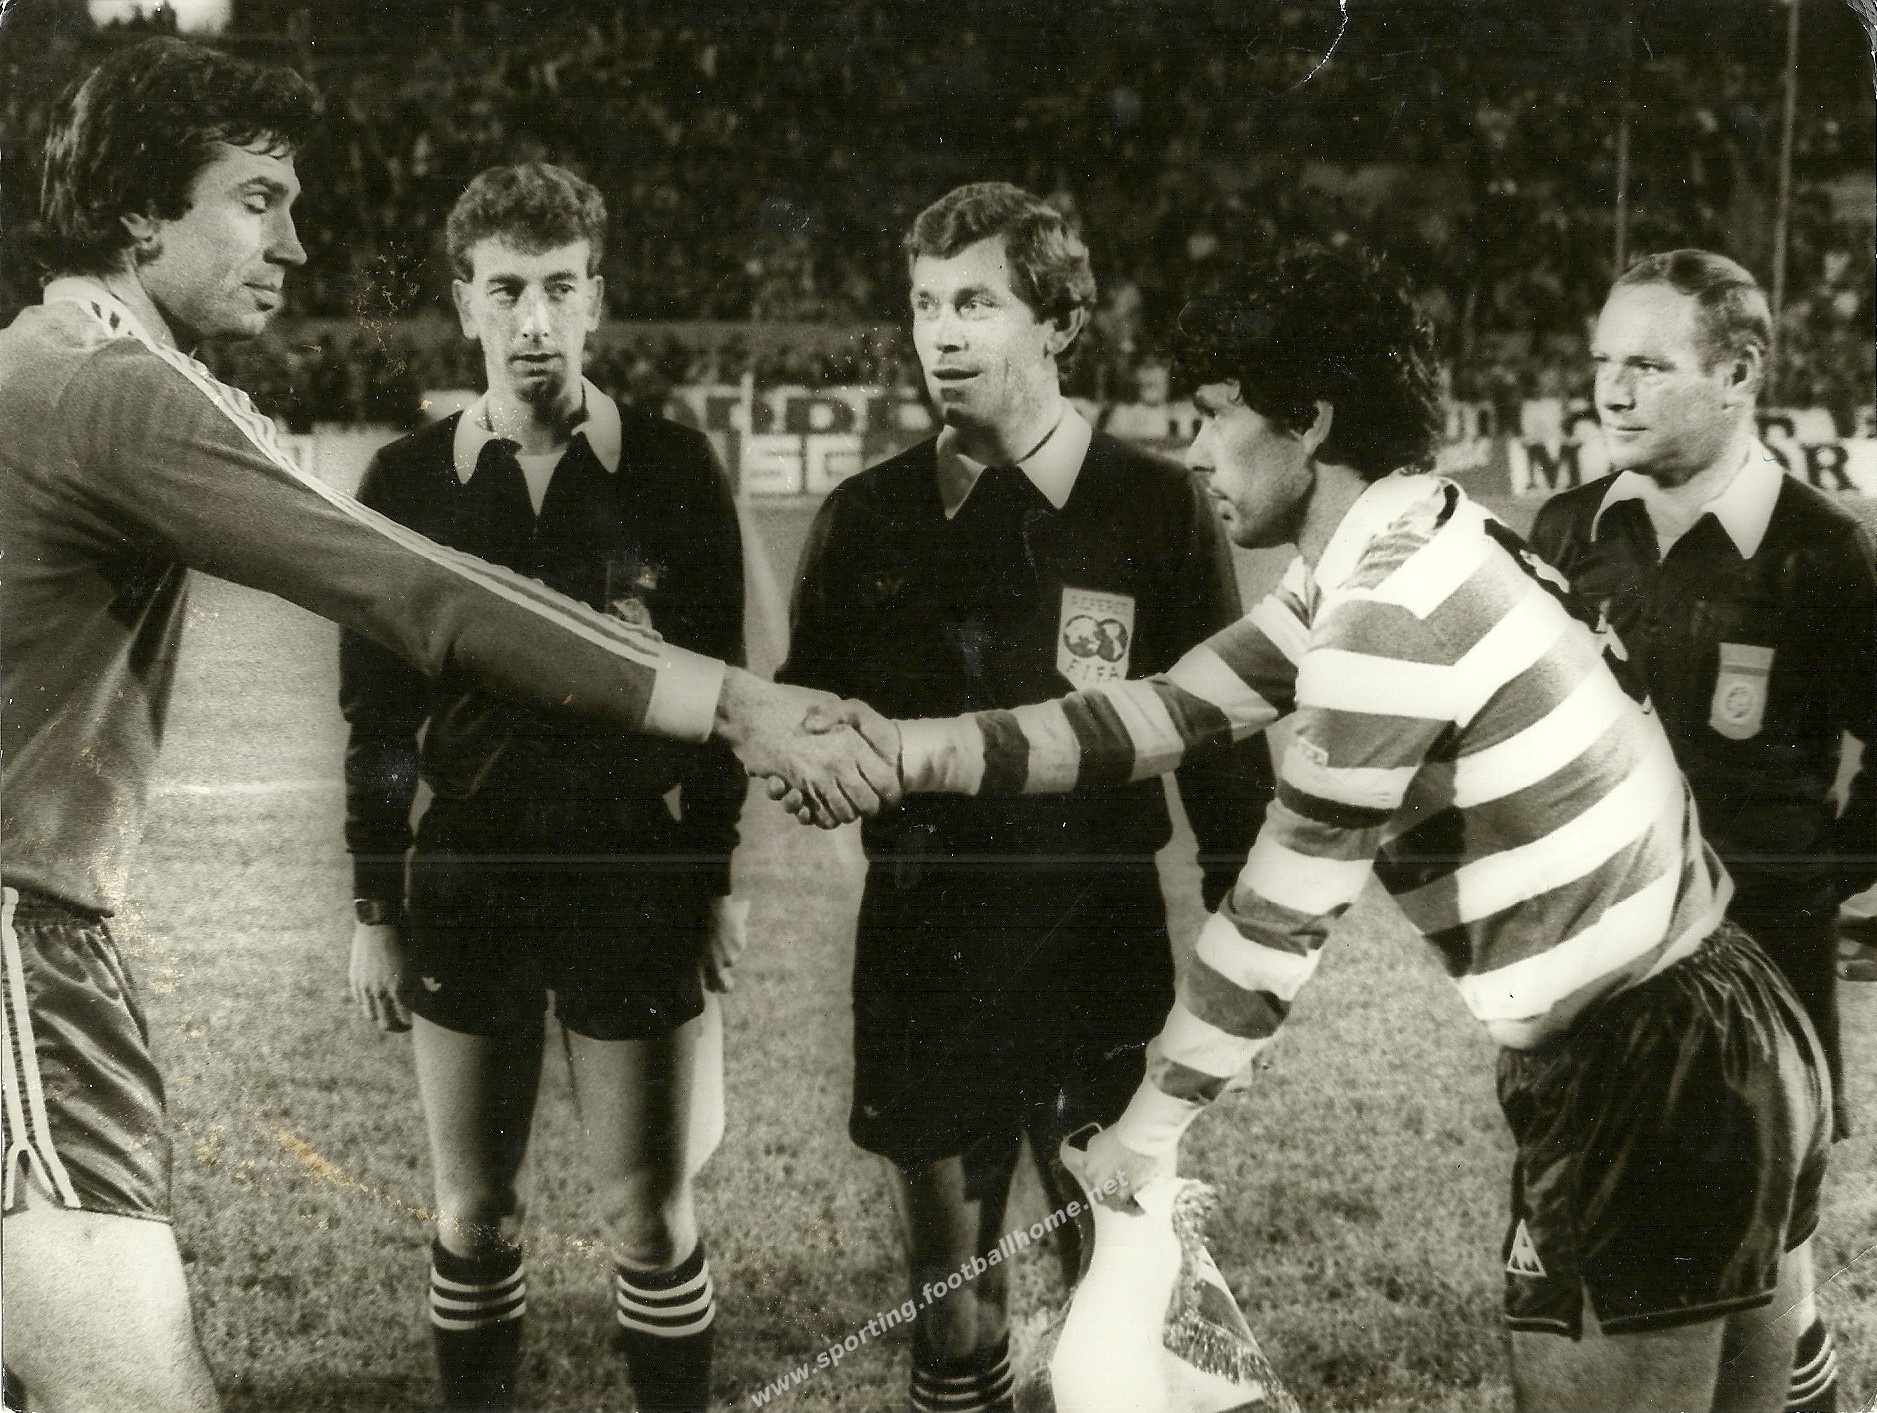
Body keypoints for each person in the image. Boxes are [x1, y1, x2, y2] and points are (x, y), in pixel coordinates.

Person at [0, 39, 890, 1413]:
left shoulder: (49, 367)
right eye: (257, 200)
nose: (296, 244)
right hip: (20, 940)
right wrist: (733, 700)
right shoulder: (107, 383)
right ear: (137, 212)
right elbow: (416, 592)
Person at [792, 244, 1831, 1413]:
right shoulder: (1412, 537)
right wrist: (907, 750)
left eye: (1215, 413)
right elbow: (1162, 712)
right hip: (1725, 1014)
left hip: (1647, 1065)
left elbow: (1276, 921)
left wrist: (1144, 1132)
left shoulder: (1384, 609)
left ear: (1310, 422)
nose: (1193, 449)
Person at [776, 182, 1268, 1413]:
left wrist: (1243, 930)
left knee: (1118, 1291)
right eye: (925, 304)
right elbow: (802, 714)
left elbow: (1219, 739)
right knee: (951, 1312)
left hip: (1093, 940)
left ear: (1058, 321)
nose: (940, 334)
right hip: (924, 941)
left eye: (975, 304)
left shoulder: (1153, 506)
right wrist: (811, 760)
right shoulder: (864, 518)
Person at [339, 162, 741, 1413]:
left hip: (634, 876)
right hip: (469, 875)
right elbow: (376, 720)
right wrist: (374, 909)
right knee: (474, 1213)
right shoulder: (406, 483)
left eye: (559, 288)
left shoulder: (672, 469)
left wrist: (715, 884)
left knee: (649, 1220)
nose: (533, 320)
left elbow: (719, 704)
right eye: (506, 289)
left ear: (595, 301)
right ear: (463, 302)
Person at [1530, 251, 1875, 1413]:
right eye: (1601, 362)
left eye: (1647, 364)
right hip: (1600, 964)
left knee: (1765, 1255)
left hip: (1759, 961)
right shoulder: (1566, 530)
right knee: (1618, 1252)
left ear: (1737, 373)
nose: (1611, 390)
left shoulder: (1820, 551)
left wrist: (1817, 878)